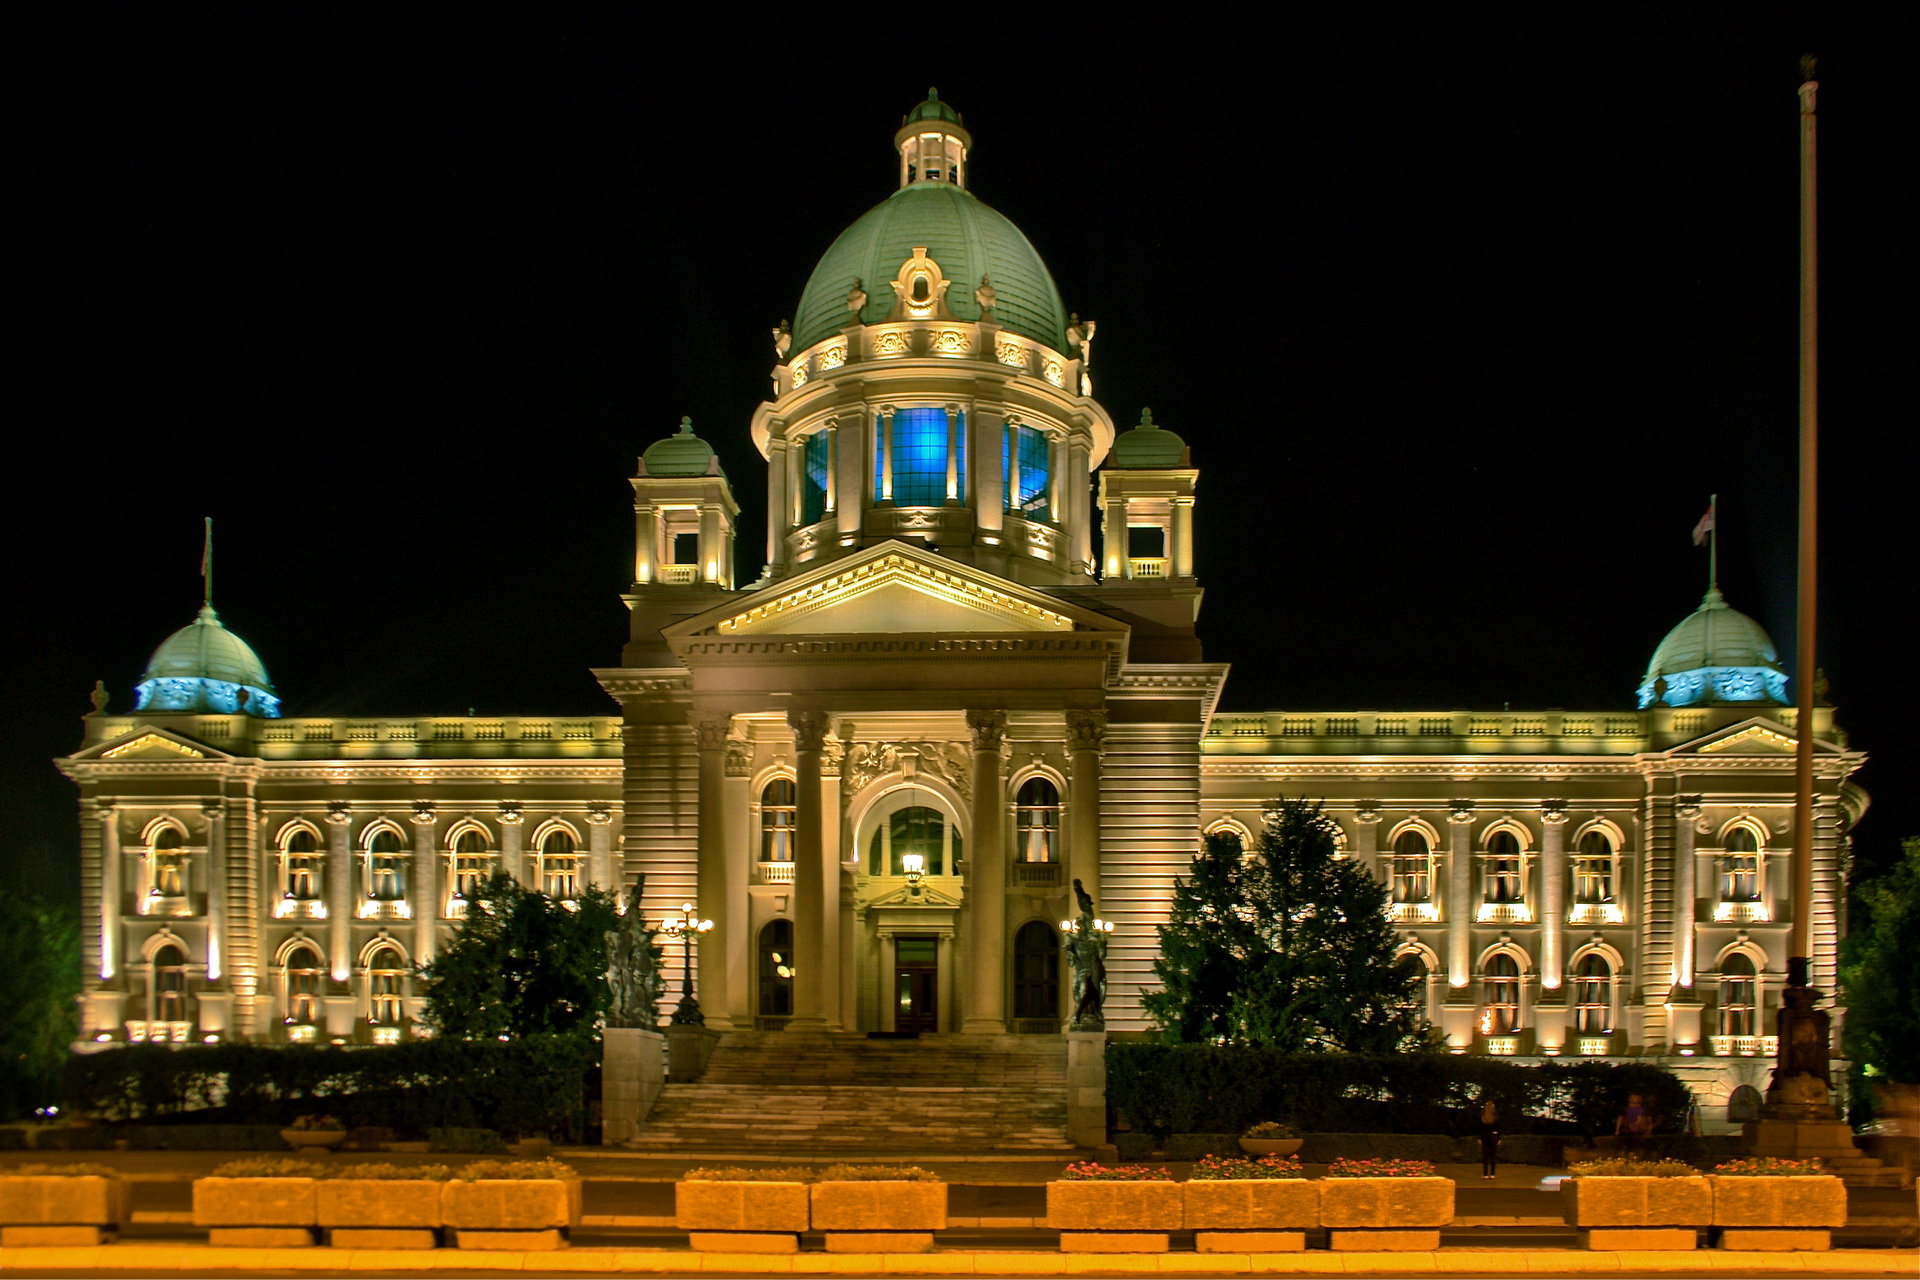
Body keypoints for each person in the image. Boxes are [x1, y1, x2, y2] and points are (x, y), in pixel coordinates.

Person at [1478, 1098, 1500, 1179]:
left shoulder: (1483, 1116)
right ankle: (1492, 1173)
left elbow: (1480, 1128)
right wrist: (1498, 1138)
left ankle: (1485, 1174)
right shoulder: (1495, 1115)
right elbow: (1498, 1128)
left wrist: (1479, 1138)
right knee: (1493, 1156)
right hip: (1493, 1137)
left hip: (1485, 1137)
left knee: (1486, 1156)